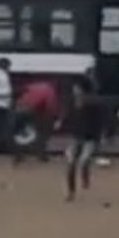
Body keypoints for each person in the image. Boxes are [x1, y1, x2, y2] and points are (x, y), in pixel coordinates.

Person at [65, 74, 106, 202]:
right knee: (71, 163)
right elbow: (70, 116)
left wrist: (100, 136)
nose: (74, 89)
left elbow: (100, 120)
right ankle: (71, 191)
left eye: (76, 87)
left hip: (90, 136)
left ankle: (84, 177)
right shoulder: (73, 101)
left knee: (83, 161)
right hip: (76, 136)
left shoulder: (93, 102)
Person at [13, 79, 59, 164]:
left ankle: (19, 154)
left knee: (20, 132)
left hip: (20, 107)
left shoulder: (35, 85)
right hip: (32, 110)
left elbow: (22, 89)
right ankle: (40, 154)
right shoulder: (51, 91)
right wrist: (53, 118)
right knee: (41, 132)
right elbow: (50, 107)